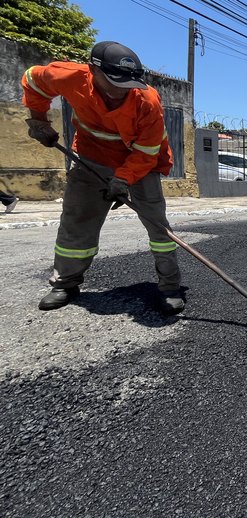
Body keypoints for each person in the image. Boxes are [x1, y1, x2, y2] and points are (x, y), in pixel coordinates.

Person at [21, 41, 184, 315]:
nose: (122, 90)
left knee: (158, 225)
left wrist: (122, 180)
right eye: (114, 82)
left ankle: (170, 286)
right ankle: (66, 283)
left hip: (142, 163)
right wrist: (39, 121)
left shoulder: (148, 101)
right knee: (77, 220)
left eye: (128, 84)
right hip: (91, 156)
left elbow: (146, 152)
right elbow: (32, 81)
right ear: (93, 71)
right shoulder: (68, 76)